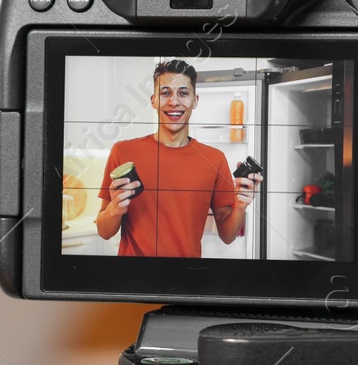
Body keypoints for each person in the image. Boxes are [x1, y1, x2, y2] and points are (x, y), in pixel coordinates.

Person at [95, 59, 261, 258]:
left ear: (195, 100)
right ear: (153, 100)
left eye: (183, 93)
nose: (174, 101)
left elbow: (227, 235)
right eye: (165, 93)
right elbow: (104, 232)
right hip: (133, 278)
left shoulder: (214, 159)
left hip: (186, 277)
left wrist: (241, 206)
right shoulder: (123, 152)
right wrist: (115, 208)